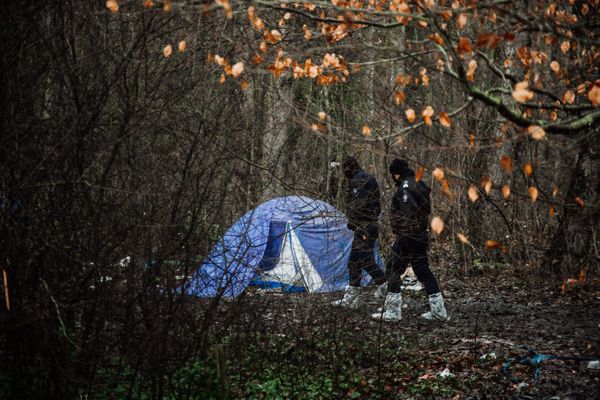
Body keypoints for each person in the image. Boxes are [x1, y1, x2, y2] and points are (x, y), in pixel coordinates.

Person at [372, 158, 449, 322]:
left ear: (396, 173)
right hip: (420, 236)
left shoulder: (406, 187)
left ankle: (393, 312)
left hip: (408, 237)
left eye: (393, 174)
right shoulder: (418, 183)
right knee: (422, 270)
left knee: (393, 268)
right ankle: (438, 311)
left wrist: (403, 235)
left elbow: (408, 213)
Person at [332, 157, 387, 308]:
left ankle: (386, 287)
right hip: (368, 225)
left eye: (344, 170)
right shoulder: (368, 178)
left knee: (366, 261)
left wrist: (353, 221)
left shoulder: (359, 180)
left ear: (349, 168)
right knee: (354, 261)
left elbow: (359, 204)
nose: (344, 174)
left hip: (364, 227)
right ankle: (352, 298)